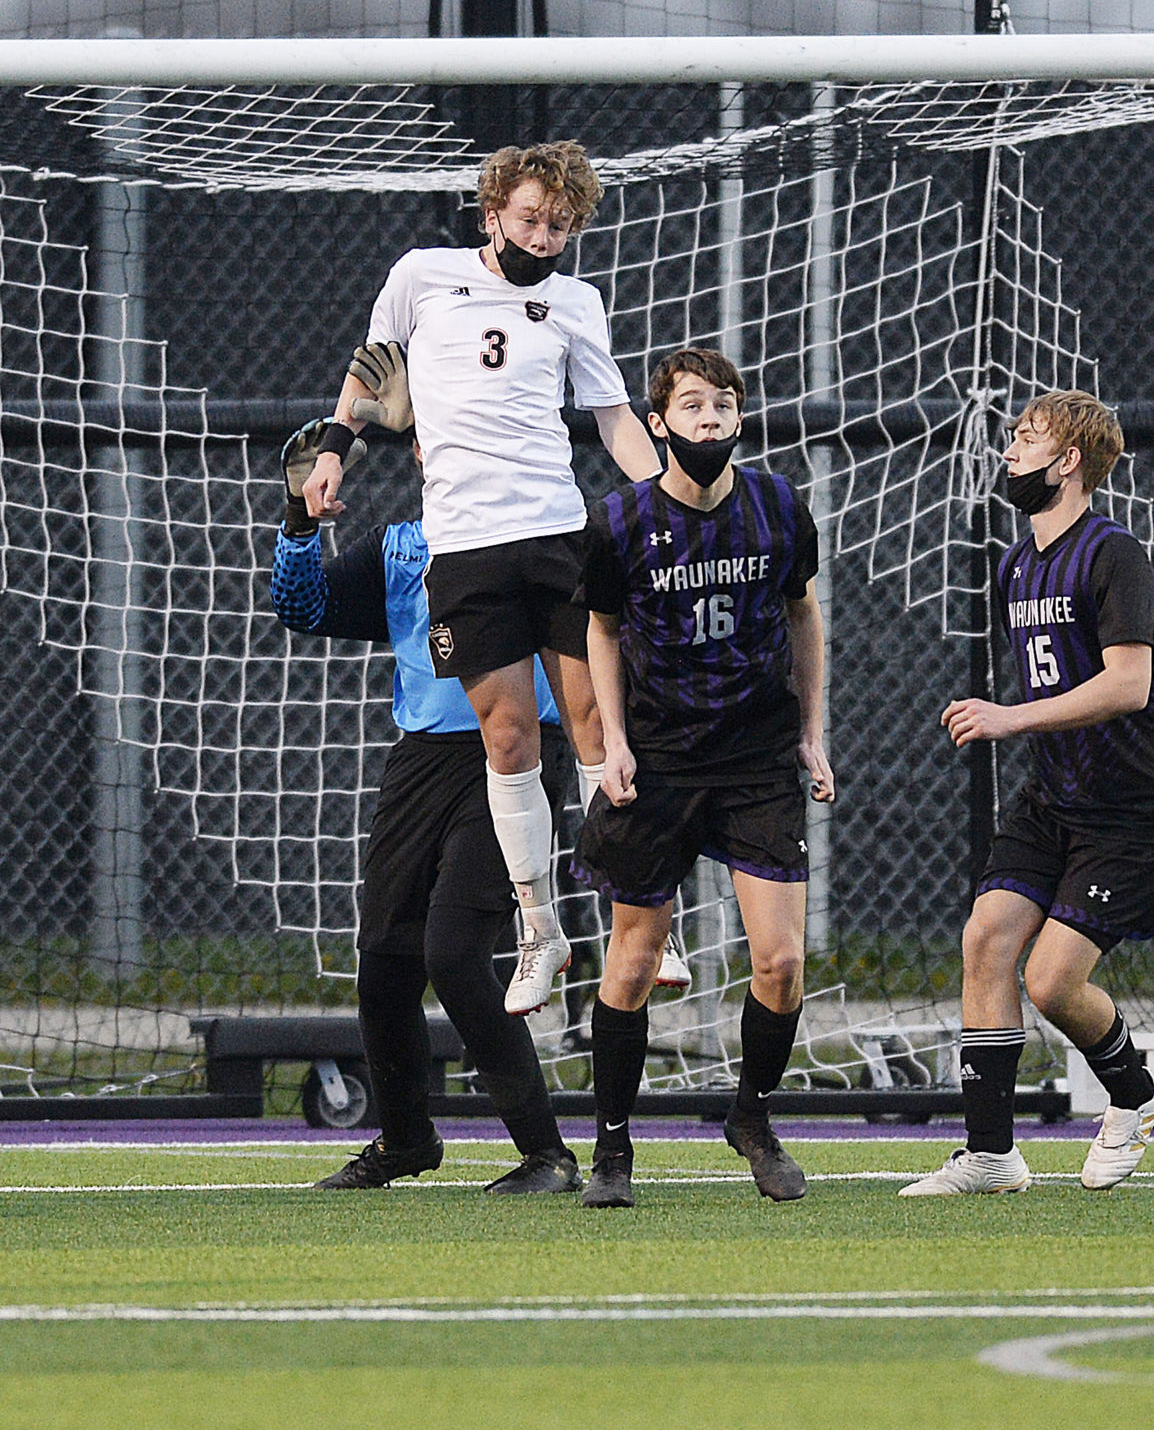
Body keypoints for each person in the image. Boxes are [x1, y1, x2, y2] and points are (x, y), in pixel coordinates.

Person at [302, 141, 663, 1018]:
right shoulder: (423, 275)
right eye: (531, 217)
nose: (544, 236)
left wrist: (666, 500)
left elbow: (611, 413)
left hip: (555, 533)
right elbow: (371, 368)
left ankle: (636, 914)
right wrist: (332, 453)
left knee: (592, 723)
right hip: (464, 546)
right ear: (493, 209)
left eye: (561, 225)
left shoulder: (575, 301)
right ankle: (541, 932)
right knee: (509, 741)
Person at [271, 420, 582, 1195]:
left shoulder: (540, 544)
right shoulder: (402, 549)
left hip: (515, 754)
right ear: (422, 452)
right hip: (422, 761)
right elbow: (302, 606)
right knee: (383, 962)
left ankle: (549, 1154)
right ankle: (406, 1141)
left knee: (452, 952)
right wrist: (300, 519)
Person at [569, 346, 836, 1208]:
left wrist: (810, 732)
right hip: (662, 757)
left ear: (740, 419)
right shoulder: (619, 522)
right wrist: (613, 739)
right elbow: (602, 630)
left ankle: (751, 1117)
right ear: (660, 423)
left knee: (783, 961)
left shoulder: (777, 506)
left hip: (755, 758)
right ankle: (612, 1145)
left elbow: (803, 613)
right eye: (691, 407)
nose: (709, 421)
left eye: (723, 406)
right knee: (634, 959)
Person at [901, 390, 1154, 1197]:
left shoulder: (1114, 554)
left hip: (1127, 808)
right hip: (1054, 799)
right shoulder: (1015, 563)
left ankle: (1135, 1098)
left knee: (1051, 983)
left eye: (1025, 438)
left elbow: (1130, 684)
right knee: (987, 938)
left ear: (1069, 460)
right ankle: (990, 1156)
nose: (1009, 451)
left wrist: (1011, 718)